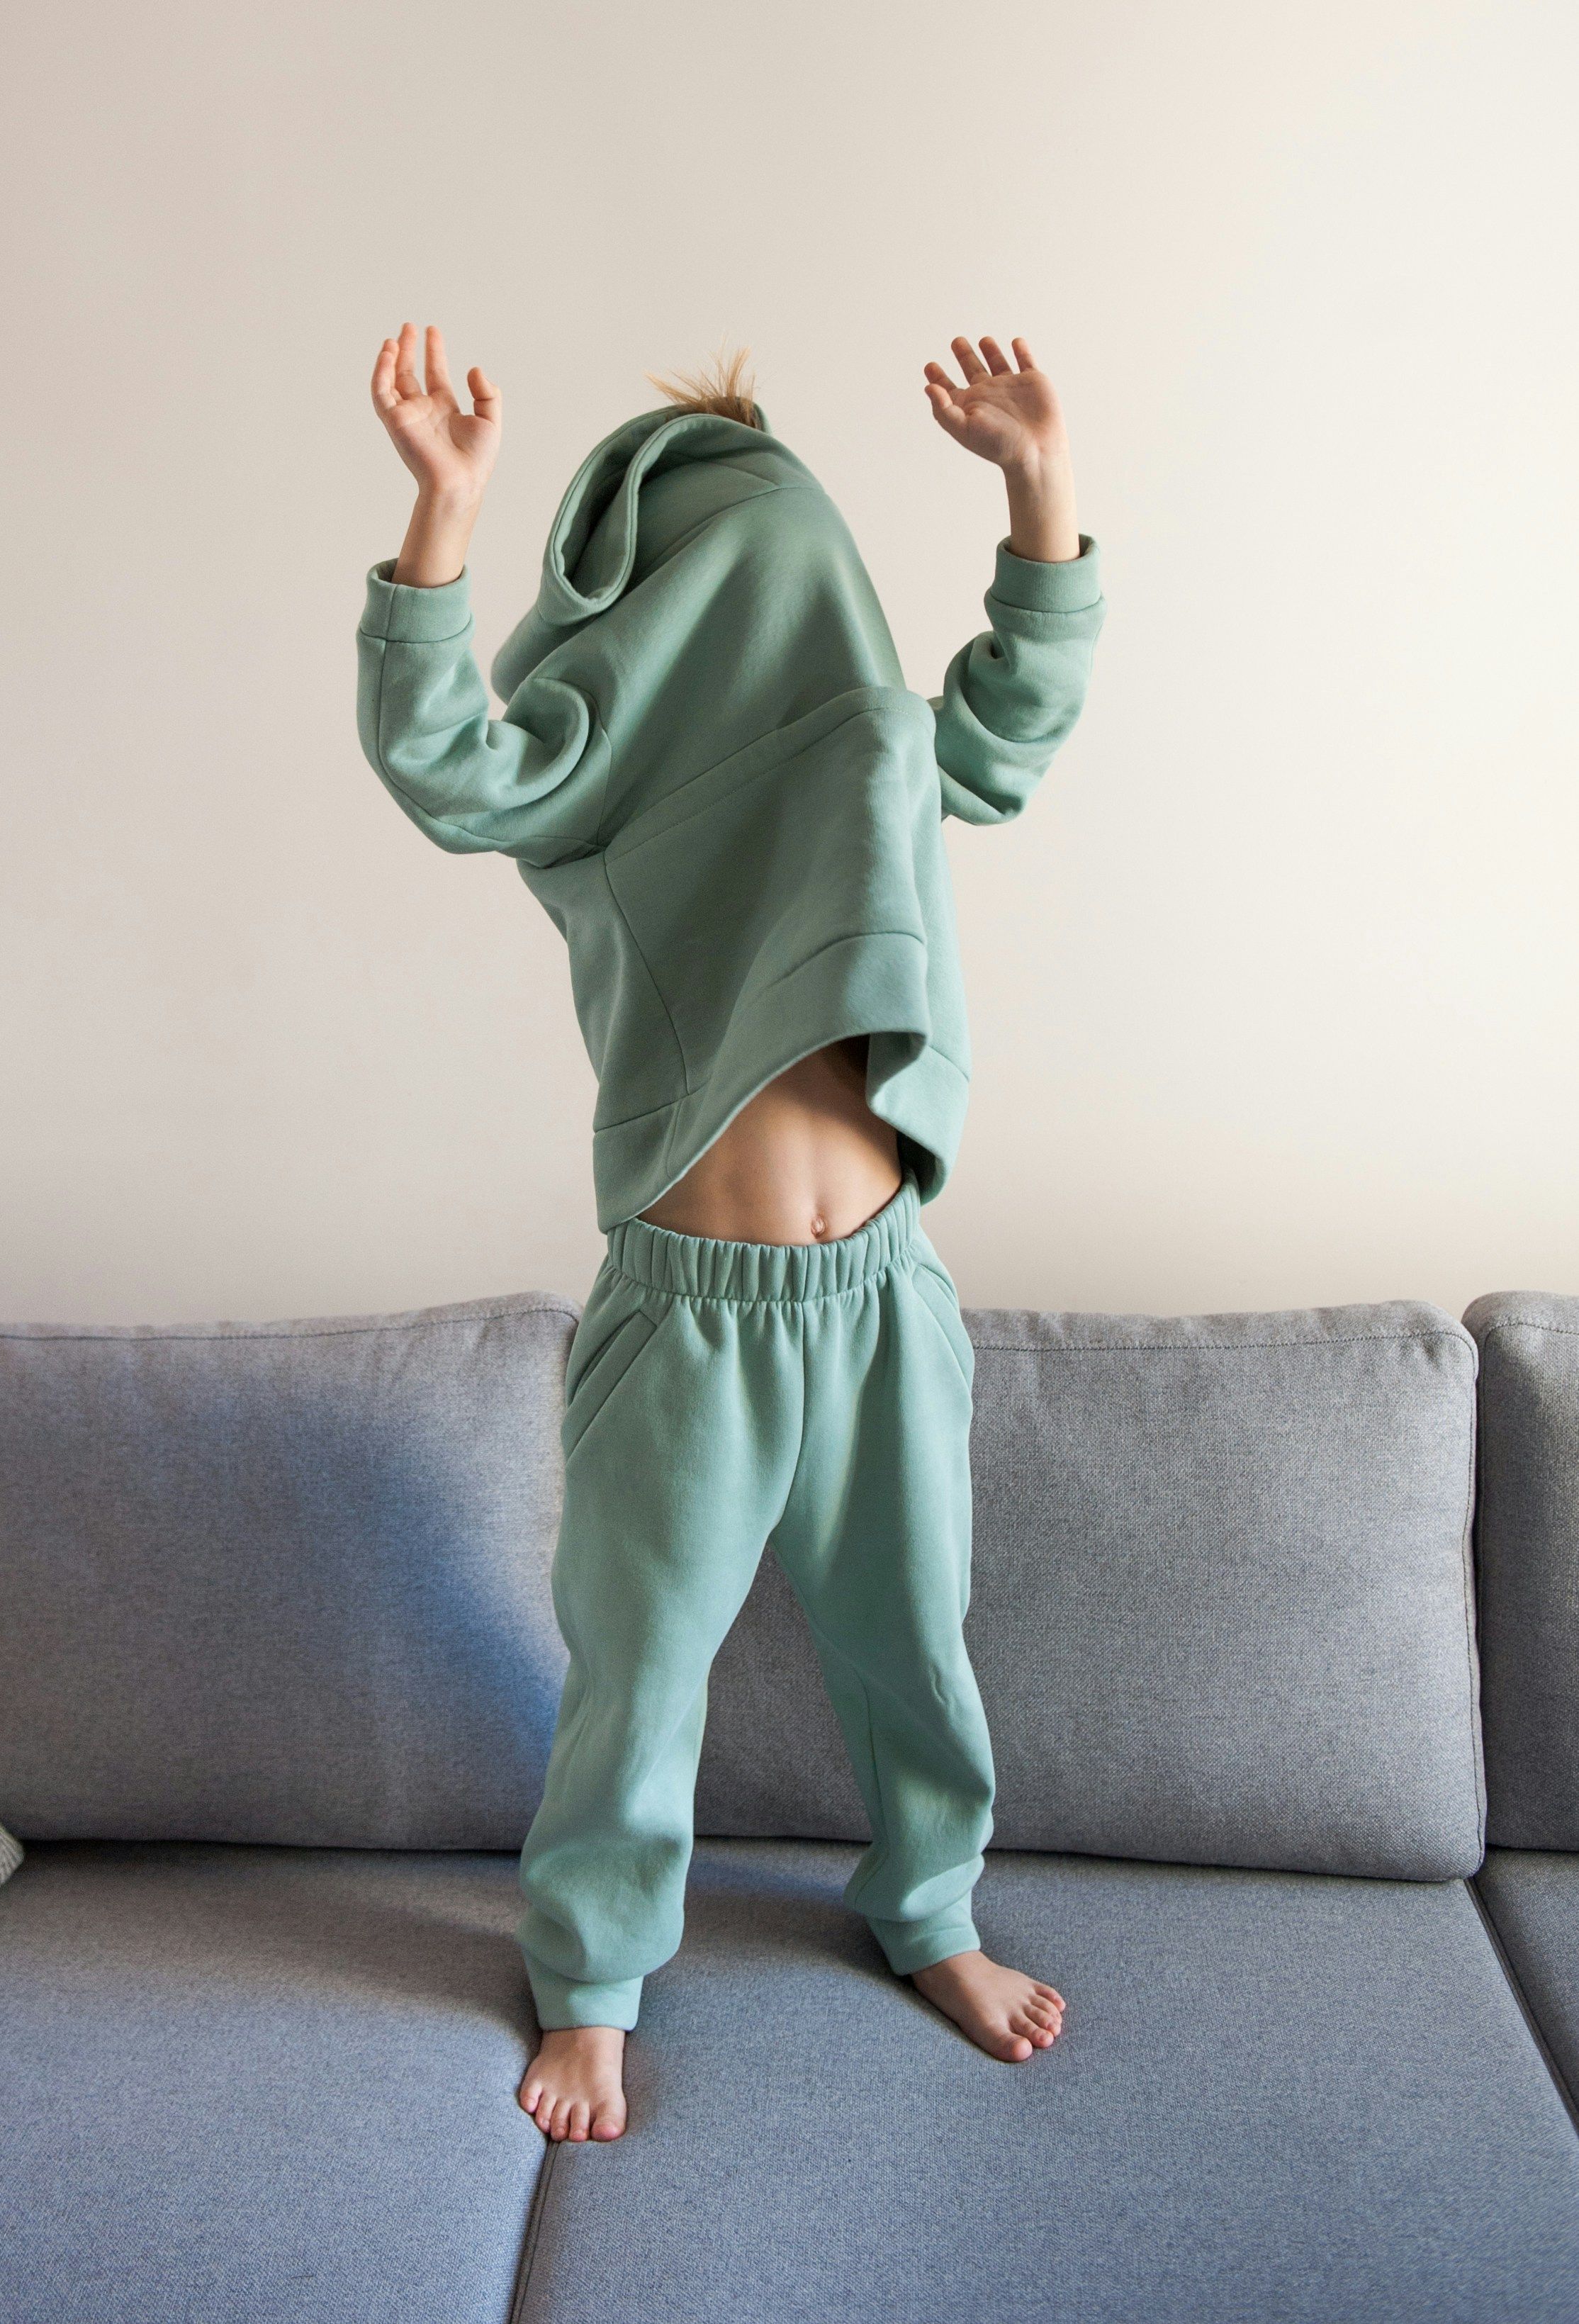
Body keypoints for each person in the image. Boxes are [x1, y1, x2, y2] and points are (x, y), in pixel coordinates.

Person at [356, 323, 1106, 2143]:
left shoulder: (869, 752)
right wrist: (443, 516)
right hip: (689, 1318)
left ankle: (927, 1910)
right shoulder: (605, 783)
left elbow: (1011, 720)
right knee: (639, 1666)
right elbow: (445, 759)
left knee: (911, 1640)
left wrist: (1038, 486)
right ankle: (592, 1980)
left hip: (879, 1300)